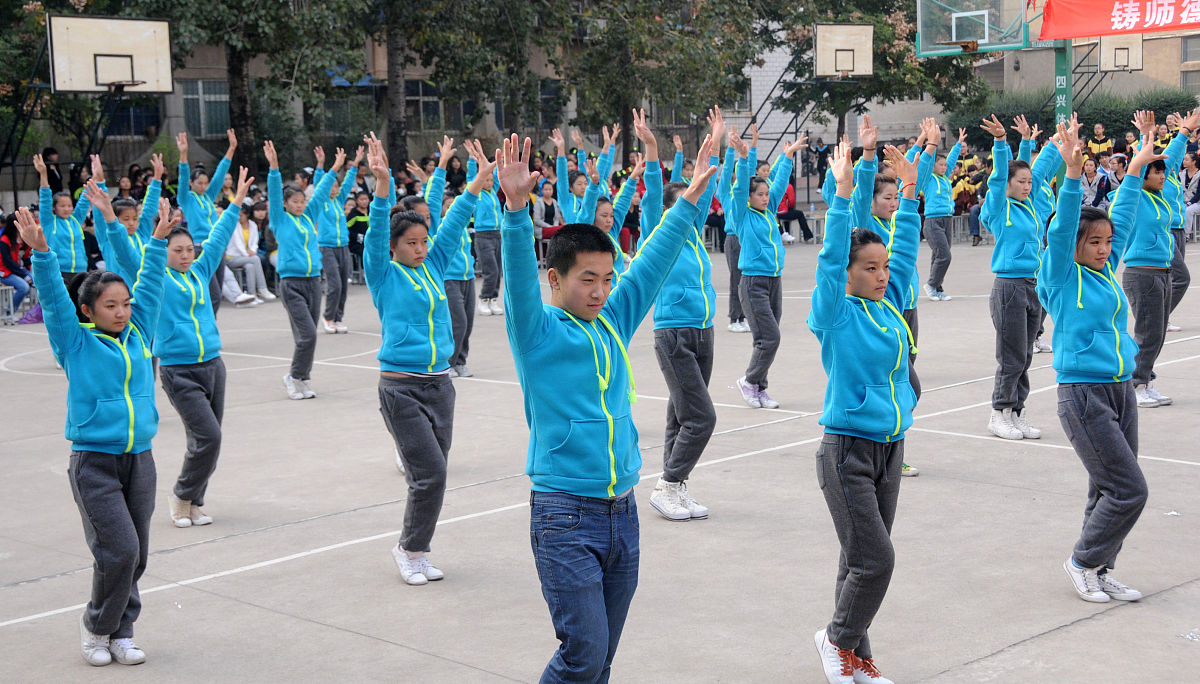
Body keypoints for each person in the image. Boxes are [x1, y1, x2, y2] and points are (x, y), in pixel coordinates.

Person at [499, 129, 716, 682]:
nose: (599, 291)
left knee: (601, 661)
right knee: (583, 655)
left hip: (623, 513)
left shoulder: (613, 321)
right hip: (564, 513)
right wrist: (517, 210)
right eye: (586, 279)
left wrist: (687, 201)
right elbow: (520, 282)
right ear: (556, 279)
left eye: (605, 279)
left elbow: (649, 268)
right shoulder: (538, 332)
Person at [14, 199, 174, 667]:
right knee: (118, 550)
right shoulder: (75, 340)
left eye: (125, 304)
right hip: (94, 462)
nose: (122, 312)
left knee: (136, 553)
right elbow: (52, 299)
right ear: (89, 309)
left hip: (139, 457)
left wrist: (159, 241)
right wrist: (42, 253)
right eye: (111, 305)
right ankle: (96, 625)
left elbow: (153, 283)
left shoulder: (140, 332)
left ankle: (122, 630)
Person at [809, 141, 919, 684]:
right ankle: (835, 641)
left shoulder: (888, 307)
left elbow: (904, 253)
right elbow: (831, 260)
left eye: (882, 268)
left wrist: (913, 193)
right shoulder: (836, 314)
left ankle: (854, 655)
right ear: (849, 274)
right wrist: (845, 196)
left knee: (857, 562)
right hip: (847, 451)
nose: (880, 276)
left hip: (890, 450)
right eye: (868, 268)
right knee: (877, 561)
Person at [1038, 117, 1157, 605]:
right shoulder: (1062, 276)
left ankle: (1101, 566)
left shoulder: (1106, 272)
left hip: (1118, 389)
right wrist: (1070, 176)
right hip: (1083, 394)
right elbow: (1067, 223)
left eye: (1107, 243)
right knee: (1130, 490)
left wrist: (1135, 171)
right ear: (1074, 246)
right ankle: (1083, 561)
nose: (1105, 249)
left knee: (1105, 489)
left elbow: (1123, 219)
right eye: (1095, 242)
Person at [362, 133, 487, 584]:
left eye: (422, 242)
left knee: (435, 473)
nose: (419, 249)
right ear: (395, 246)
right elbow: (377, 232)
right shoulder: (383, 274)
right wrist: (381, 187)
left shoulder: (433, 266)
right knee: (429, 474)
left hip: (440, 384)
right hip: (401, 387)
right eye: (411, 243)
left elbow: (453, 227)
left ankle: (416, 546)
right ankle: (410, 549)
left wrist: (475, 185)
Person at [641, 106, 724, 521]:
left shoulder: (693, 236)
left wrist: (715, 146)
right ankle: (670, 484)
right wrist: (653, 151)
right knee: (701, 417)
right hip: (673, 333)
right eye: (686, 200)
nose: (694, 203)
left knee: (681, 414)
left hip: (702, 331)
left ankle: (672, 485)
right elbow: (656, 197)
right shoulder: (659, 231)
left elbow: (704, 191)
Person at [854, 115, 922, 478]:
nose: (894, 203)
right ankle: (880, 445)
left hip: (900, 309)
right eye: (888, 198)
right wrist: (867, 154)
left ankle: (894, 448)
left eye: (898, 198)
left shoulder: (890, 270)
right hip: (873, 315)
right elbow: (859, 196)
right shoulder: (864, 228)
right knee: (896, 383)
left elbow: (908, 245)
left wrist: (915, 170)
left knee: (906, 385)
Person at [979, 114, 1048, 441]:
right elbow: (999, 177)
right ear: (1007, 184)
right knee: (1011, 355)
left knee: (1026, 354)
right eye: (1021, 182)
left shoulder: (1029, 207)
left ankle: (1016, 411)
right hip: (1008, 287)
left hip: (1032, 286)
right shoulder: (999, 207)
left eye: (1029, 182)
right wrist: (1000, 143)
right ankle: (999, 412)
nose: (1027, 185)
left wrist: (1028, 143)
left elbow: (1032, 168)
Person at [728, 128, 807, 409]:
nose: (764, 197)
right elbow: (739, 189)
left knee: (764, 339)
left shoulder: (768, 212)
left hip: (774, 281)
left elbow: (780, 182)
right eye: (759, 194)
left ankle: (759, 388)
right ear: (749, 197)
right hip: (753, 283)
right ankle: (749, 381)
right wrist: (743, 158)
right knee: (770, 337)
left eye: (765, 194)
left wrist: (787, 156)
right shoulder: (742, 214)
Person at [1120, 110, 1192, 408]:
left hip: (1161, 272)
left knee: (1157, 333)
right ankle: (1136, 384)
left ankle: (1145, 379)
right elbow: (1138, 169)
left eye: (1164, 172)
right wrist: (1145, 138)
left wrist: (1185, 132)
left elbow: (1171, 160)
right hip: (1143, 274)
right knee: (1148, 333)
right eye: (1157, 171)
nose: (1163, 175)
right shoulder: (1135, 195)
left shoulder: (1161, 196)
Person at [264, 139, 338, 401]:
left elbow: (319, 194)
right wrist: (274, 167)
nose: (299, 205)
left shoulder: (308, 218)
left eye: (301, 201)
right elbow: (274, 193)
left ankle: (302, 378)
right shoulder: (280, 219)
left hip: (313, 282)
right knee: (306, 335)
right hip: (291, 283)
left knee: (310, 336)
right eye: (294, 201)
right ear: (285, 204)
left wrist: (332, 168)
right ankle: (293, 377)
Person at [176, 129, 236, 313]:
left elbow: (220, 174)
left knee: (215, 295)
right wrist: (183, 154)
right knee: (213, 294)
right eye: (199, 183)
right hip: (200, 248)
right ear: (192, 183)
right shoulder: (186, 198)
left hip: (216, 247)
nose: (203, 186)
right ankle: (204, 330)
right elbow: (184, 175)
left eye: (205, 183)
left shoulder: (208, 197)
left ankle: (208, 329)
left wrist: (231, 148)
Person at [312, 145, 360, 333]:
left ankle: (338, 318)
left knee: (344, 285)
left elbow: (348, 183)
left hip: (343, 246)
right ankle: (328, 317)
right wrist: (321, 164)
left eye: (335, 186)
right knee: (335, 284)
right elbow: (319, 183)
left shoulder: (339, 202)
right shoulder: (321, 201)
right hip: (327, 247)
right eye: (330, 185)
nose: (333, 188)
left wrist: (354, 165)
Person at [34, 152, 96, 288]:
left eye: (69, 205)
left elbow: (84, 200)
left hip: (80, 270)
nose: (67, 209)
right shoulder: (49, 221)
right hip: (59, 271)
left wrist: (95, 177)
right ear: (54, 207)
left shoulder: (75, 219)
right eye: (62, 206)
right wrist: (43, 174)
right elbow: (45, 198)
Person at [917, 124, 963, 301]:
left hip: (947, 219)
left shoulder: (945, 178)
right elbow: (928, 161)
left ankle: (936, 287)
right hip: (932, 221)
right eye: (941, 165)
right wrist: (932, 141)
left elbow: (951, 160)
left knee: (939, 255)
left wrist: (958, 143)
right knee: (944, 255)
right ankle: (931, 284)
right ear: (933, 165)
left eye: (946, 166)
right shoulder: (928, 178)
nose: (944, 167)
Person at [466, 144, 505, 316]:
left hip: (498, 234)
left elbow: (497, 175)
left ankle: (493, 299)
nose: (489, 182)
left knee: (498, 270)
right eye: (486, 180)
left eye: (490, 180)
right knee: (491, 270)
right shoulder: (477, 193)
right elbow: (470, 178)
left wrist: (500, 160)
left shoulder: (493, 192)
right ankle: (483, 299)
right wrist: (472, 159)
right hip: (483, 235)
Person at [225, 196, 275, 303]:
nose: (239, 217)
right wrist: (248, 254)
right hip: (232, 257)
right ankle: (262, 288)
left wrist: (253, 251)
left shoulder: (252, 225)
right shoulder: (234, 226)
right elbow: (238, 244)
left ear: (247, 214)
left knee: (250, 266)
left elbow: (254, 242)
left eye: (241, 215)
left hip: (247, 257)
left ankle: (252, 295)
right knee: (255, 259)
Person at [1, 213, 33, 318]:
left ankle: (36, 313)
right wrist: (23, 275)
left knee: (38, 280)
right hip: (4, 272)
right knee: (23, 287)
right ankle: (9, 313)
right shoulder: (4, 240)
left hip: (16, 270)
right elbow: (8, 262)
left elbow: (22, 260)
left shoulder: (19, 240)